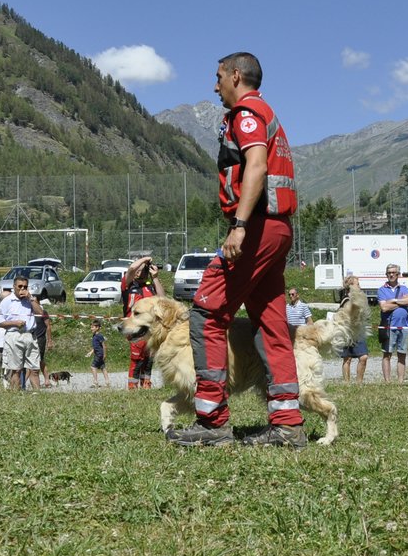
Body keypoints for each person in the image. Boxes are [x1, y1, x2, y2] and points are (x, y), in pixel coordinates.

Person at [169, 52, 303, 448]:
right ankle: (288, 425)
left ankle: (213, 423)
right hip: (277, 229)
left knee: (207, 312)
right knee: (272, 325)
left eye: (218, 77)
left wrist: (240, 225)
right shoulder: (265, 112)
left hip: (258, 227)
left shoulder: (247, 112)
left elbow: (257, 167)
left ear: (236, 76)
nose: (215, 86)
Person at [0, 274, 42, 390]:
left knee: (35, 368)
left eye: (25, 287)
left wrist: (30, 298)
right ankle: (16, 393)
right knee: (16, 369)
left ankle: (37, 394)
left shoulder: (30, 299)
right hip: (14, 336)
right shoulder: (7, 301)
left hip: (30, 336)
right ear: (14, 286)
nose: (22, 289)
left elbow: (40, 313)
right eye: (20, 286)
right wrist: (14, 323)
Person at [120, 256, 162, 389]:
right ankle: (132, 387)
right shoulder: (128, 284)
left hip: (150, 329)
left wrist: (155, 277)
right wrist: (145, 259)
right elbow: (132, 268)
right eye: (137, 269)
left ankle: (146, 385)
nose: (138, 271)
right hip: (135, 328)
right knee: (137, 359)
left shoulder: (150, 287)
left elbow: (162, 299)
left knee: (149, 359)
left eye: (141, 270)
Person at [377, 264, 408, 383]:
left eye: (394, 272)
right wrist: (402, 303)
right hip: (389, 326)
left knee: (402, 354)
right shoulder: (382, 290)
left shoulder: (404, 289)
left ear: (398, 274)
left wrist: (394, 301)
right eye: (389, 273)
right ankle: (387, 381)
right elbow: (384, 307)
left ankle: (400, 381)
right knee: (387, 354)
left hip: (403, 326)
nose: (391, 274)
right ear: (386, 274)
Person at [90, 318, 107, 387]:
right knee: (103, 367)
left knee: (93, 367)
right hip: (98, 354)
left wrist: (105, 354)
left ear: (97, 328)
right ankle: (107, 382)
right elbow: (95, 346)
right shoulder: (94, 335)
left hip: (99, 354)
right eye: (91, 327)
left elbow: (104, 346)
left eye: (92, 327)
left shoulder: (99, 336)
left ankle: (95, 382)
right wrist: (91, 352)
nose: (91, 328)